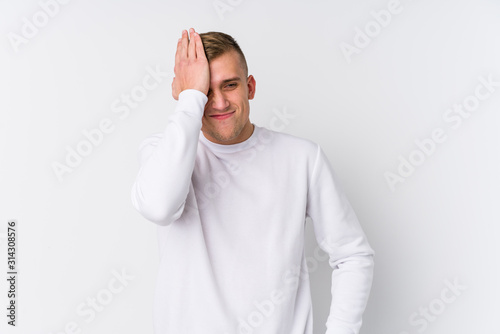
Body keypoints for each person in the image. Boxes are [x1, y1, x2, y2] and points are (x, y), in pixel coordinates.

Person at [131, 27, 374, 334]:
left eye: (229, 85)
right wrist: (189, 99)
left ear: (251, 87)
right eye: (205, 91)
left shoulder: (302, 158)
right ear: (184, 95)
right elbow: (159, 207)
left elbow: (352, 254)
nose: (218, 103)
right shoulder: (162, 152)